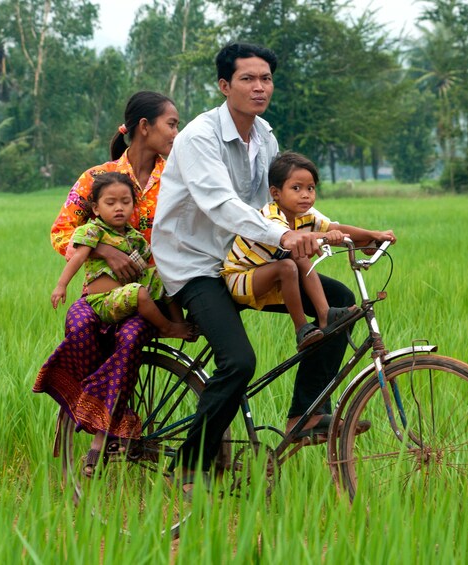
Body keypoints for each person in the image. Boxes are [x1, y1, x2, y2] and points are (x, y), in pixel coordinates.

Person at [153, 42, 393, 493]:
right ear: (225, 86)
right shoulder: (199, 137)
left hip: (248, 254)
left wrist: (352, 233)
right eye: (247, 78)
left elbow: (280, 203)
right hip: (195, 264)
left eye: (265, 78)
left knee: (338, 302)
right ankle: (189, 465)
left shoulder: (265, 137)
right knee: (239, 361)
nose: (259, 87)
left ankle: (304, 414)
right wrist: (283, 237)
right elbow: (220, 204)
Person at [34, 91, 179, 477]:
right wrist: (104, 251)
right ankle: (103, 412)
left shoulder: (179, 176)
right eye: (171, 124)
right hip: (99, 291)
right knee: (78, 326)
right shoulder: (95, 179)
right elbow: (62, 233)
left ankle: (107, 419)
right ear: (144, 128)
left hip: (150, 293)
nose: (176, 133)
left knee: (130, 337)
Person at [221, 151, 396, 351]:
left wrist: (373, 235)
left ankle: (324, 314)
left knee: (300, 258)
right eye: (296, 188)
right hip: (240, 278)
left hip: (269, 274)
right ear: (276, 193)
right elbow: (292, 239)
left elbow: (333, 229)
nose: (305, 194)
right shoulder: (271, 215)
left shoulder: (306, 216)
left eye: (310, 188)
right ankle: (301, 329)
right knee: (288, 265)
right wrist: (325, 238)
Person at [50, 172, 195, 339]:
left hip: (127, 295)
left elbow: (146, 265)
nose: (119, 208)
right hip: (104, 301)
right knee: (138, 291)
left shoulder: (135, 237)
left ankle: (180, 324)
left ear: (133, 206)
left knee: (164, 276)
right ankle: (167, 328)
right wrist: (61, 285)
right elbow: (78, 257)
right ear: (96, 208)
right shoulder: (92, 231)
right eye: (110, 203)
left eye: (125, 202)